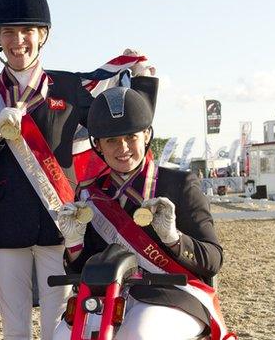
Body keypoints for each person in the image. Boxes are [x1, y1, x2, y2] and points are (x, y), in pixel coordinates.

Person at [0, 0, 157, 338]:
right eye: (7, 31)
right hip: (6, 229)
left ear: (43, 35)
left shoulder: (69, 86)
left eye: (27, 30)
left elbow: (124, 120)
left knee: (60, 326)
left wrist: (142, 80)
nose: (18, 40)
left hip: (61, 226)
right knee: (15, 328)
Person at [57, 87, 226, 339]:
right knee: (60, 335)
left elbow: (213, 260)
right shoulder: (89, 193)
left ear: (146, 135)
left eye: (130, 137)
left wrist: (173, 238)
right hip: (110, 296)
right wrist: (73, 245)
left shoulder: (180, 184)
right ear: (98, 145)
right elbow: (84, 272)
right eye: (111, 140)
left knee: (138, 332)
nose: (122, 147)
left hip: (175, 294)